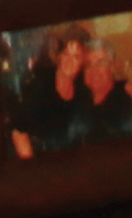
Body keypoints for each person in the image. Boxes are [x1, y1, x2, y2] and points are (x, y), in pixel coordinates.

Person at [9, 25, 94, 157]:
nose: (69, 61)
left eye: (76, 57)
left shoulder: (84, 91)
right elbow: (19, 132)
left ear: (83, 60)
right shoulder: (40, 85)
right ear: (58, 56)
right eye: (66, 54)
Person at [77, 34, 132, 141]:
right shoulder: (80, 101)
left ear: (113, 67)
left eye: (101, 63)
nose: (94, 70)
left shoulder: (125, 108)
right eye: (88, 65)